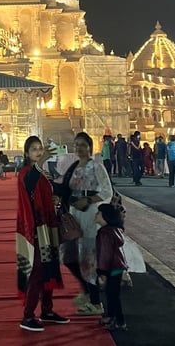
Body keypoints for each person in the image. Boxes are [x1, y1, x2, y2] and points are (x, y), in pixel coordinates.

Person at [54, 131, 112, 316]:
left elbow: (107, 191)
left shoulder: (96, 167)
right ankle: (86, 290)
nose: (79, 148)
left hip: (89, 214)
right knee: (68, 255)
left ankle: (95, 302)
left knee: (88, 257)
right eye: (76, 145)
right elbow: (65, 188)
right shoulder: (73, 167)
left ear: (90, 147)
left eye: (83, 145)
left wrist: (88, 200)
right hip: (74, 214)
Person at [16, 136, 68, 332]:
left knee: (49, 268)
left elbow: (46, 193)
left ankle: (47, 310)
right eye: (34, 149)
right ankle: (28, 315)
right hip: (35, 228)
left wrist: (55, 200)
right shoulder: (25, 172)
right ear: (26, 153)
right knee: (37, 271)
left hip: (48, 226)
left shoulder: (43, 173)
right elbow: (30, 183)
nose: (38, 152)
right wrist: (43, 159)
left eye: (40, 148)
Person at [95, 203, 128, 331]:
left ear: (105, 216)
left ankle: (119, 321)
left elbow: (105, 254)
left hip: (111, 267)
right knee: (113, 293)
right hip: (117, 267)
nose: (96, 215)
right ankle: (111, 317)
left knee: (112, 294)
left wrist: (102, 271)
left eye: (98, 213)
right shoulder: (115, 230)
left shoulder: (105, 233)